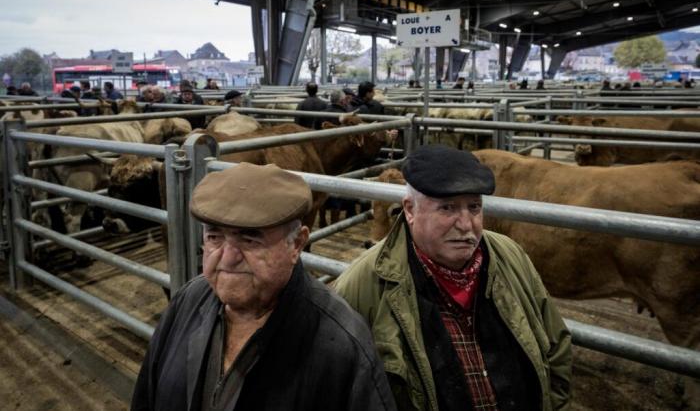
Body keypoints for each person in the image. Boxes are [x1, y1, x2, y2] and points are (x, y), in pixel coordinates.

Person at [131, 163, 397, 411]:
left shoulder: (342, 343)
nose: (227, 257)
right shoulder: (188, 301)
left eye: (249, 239)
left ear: (297, 244)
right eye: (214, 237)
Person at [335, 144, 572, 411]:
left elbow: (556, 346)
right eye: (447, 208)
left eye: (474, 207)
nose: (466, 224)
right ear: (410, 210)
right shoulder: (362, 284)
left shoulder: (510, 255)